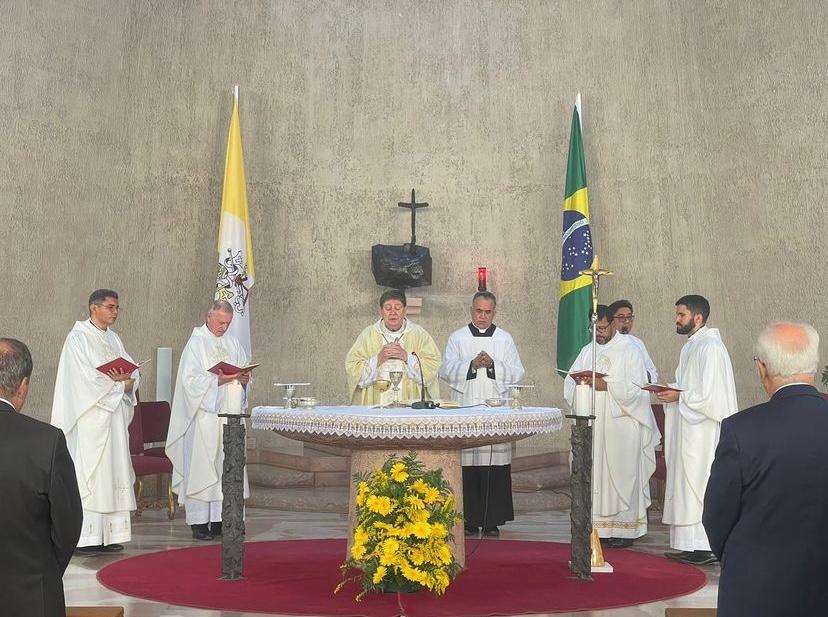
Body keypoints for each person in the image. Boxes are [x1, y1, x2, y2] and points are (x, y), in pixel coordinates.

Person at [703, 322, 828, 616]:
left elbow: (716, 517)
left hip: (756, 588)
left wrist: (741, 559)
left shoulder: (740, 430)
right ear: (816, 364)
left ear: (761, 369)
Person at [51, 289, 139, 555]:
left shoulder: (114, 339)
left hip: (112, 419)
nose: (114, 312)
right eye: (110, 307)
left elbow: (129, 373)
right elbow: (82, 381)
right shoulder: (77, 339)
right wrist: (116, 384)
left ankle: (110, 535)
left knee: (111, 473)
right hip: (91, 420)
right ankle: (86, 538)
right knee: (91, 475)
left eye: (117, 308)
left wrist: (129, 380)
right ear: (94, 308)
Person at [564, 305, 658, 547]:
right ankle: (596, 530)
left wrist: (608, 385)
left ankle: (624, 531)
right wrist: (580, 383)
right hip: (595, 426)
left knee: (621, 475)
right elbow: (569, 382)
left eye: (603, 327)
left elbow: (638, 387)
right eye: (594, 328)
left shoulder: (631, 350)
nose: (599, 333)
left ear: (613, 324)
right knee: (596, 476)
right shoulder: (587, 351)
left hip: (622, 425)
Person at [0, 338, 83, 617]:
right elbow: (69, 524)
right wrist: (43, 569)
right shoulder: (46, 442)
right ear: (23, 386)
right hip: (32, 597)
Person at [655, 294, 738, 565]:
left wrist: (679, 396)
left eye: (681, 315)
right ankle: (689, 545)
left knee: (700, 484)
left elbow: (712, 396)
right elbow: (686, 385)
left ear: (698, 318)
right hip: (688, 430)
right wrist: (671, 392)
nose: (676, 320)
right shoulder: (691, 346)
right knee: (687, 485)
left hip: (703, 433)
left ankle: (704, 546)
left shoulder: (711, 348)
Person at [439, 291, 524, 537]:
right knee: (466, 463)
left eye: (488, 312)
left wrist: (494, 365)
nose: (483, 316)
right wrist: (472, 365)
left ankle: (491, 521)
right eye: (479, 311)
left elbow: (518, 372)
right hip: (465, 408)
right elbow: (445, 370)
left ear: (494, 312)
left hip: (495, 411)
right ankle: (467, 520)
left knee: (494, 463)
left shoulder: (505, 339)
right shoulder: (458, 337)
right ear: (471, 310)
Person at [166, 300, 251, 540]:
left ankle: (222, 520)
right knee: (203, 469)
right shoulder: (195, 343)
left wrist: (243, 377)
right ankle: (200, 522)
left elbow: (242, 371)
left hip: (228, 415)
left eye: (228, 323)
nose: (224, 327)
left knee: (225, 467)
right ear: (209, 316)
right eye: (220, 322)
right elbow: (190, 383)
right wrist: (220, 380)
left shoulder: (233, 342)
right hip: (203, 417)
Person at [345, 289, 440, 406]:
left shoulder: (419, 334)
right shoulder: (368, 335)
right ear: (381, 311)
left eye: (398, 307)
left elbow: (433, 366)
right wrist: (377, 360)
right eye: (388, 308)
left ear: (405, 310)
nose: (393, 312)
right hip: (376, 405)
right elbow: (352, 369)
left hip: (410, 405)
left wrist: (407, 357)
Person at [608, 299, 658, 383]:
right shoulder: (605, 343)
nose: (627, 321)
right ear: (611, 320)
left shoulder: (637, 343)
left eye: (629, 317)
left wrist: (641, 374)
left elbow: (652, 373)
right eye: (621, 317)